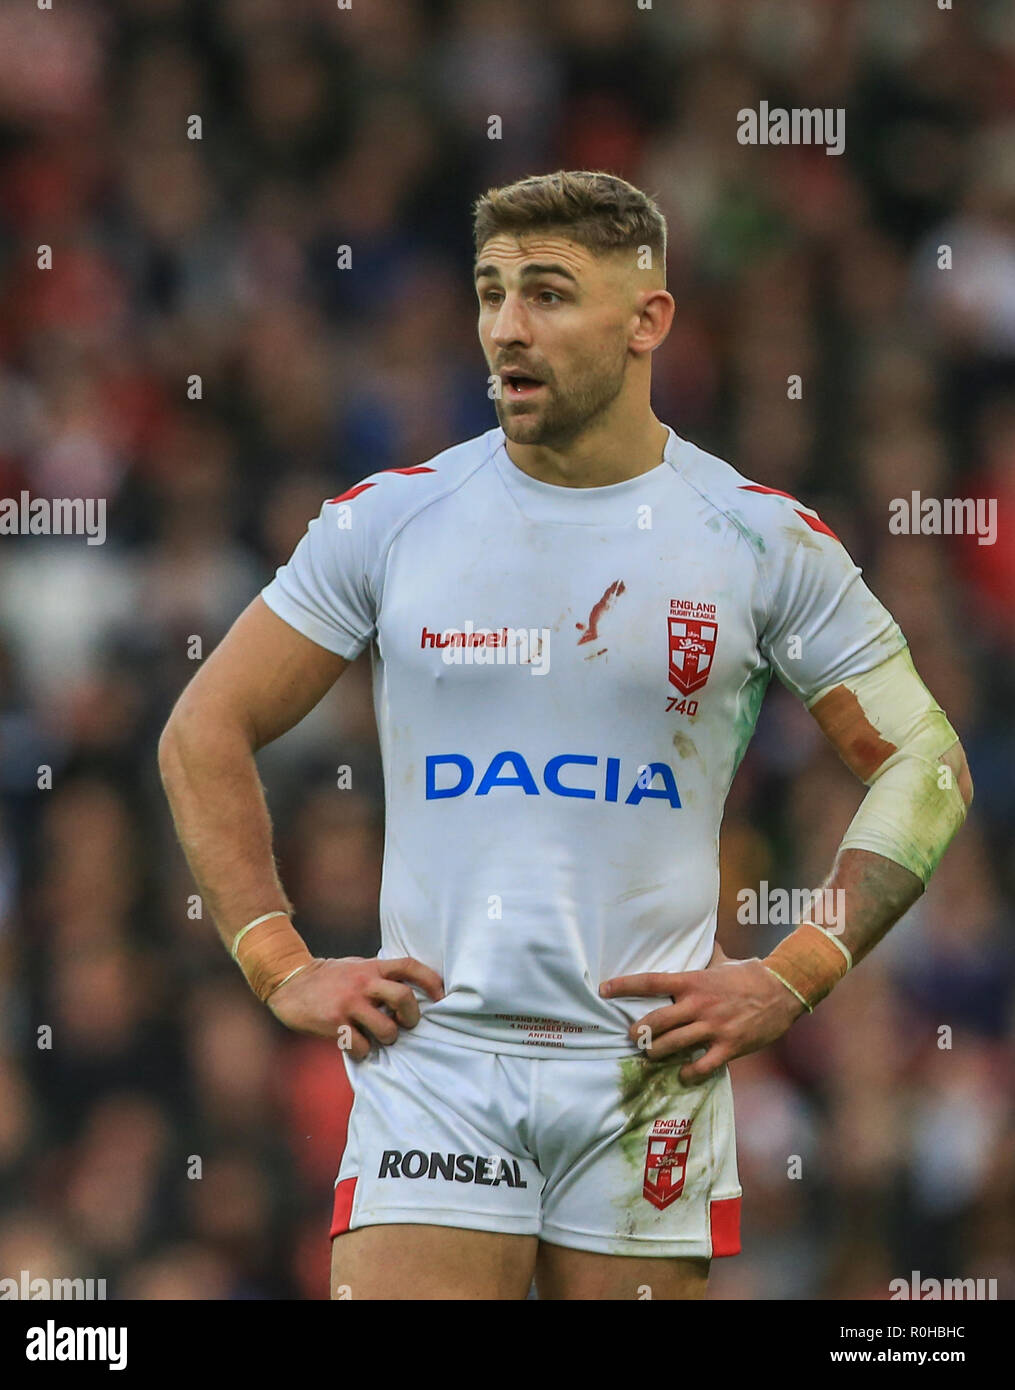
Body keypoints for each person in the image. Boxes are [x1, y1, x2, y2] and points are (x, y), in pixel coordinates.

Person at [158, 170, 973, 1300]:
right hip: (436, 1063)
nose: (505, 327)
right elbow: (203, 727)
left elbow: (928, 763)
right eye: (490, 292)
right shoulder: (391, 520)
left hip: (644, 1071)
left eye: (546, 293)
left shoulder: (756, 540)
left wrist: (794, 974)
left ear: (647, 320)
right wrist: (275, 959)